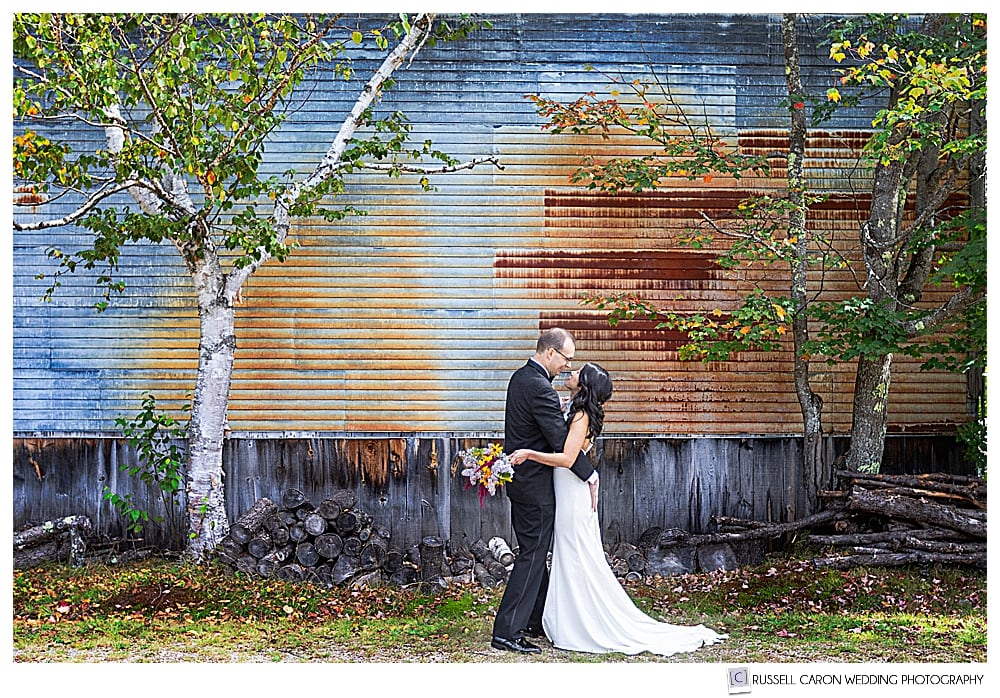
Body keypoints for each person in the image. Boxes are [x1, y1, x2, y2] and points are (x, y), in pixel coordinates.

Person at [510, 362, 727, 656]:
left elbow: (567, 458)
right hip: (566, 486)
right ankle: (566, 617)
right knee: (567, 553)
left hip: (571, 487)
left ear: (583, 385)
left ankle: (580, 622)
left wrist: (530, 454)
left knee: (575, 553)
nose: (570, 373)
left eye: (577, 373)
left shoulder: (582, 416)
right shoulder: (577, 411)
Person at [491, 327, 597, 654]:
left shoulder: (520, 378)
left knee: (534, 556)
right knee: (533, 556)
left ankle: (536, 621)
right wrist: (589, 475)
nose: (568, 365)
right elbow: (559, 441)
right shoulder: (540, 389)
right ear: (550, 352)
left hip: (522, 484)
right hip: (535, 487)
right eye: (567, 358)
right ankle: (506, 632)